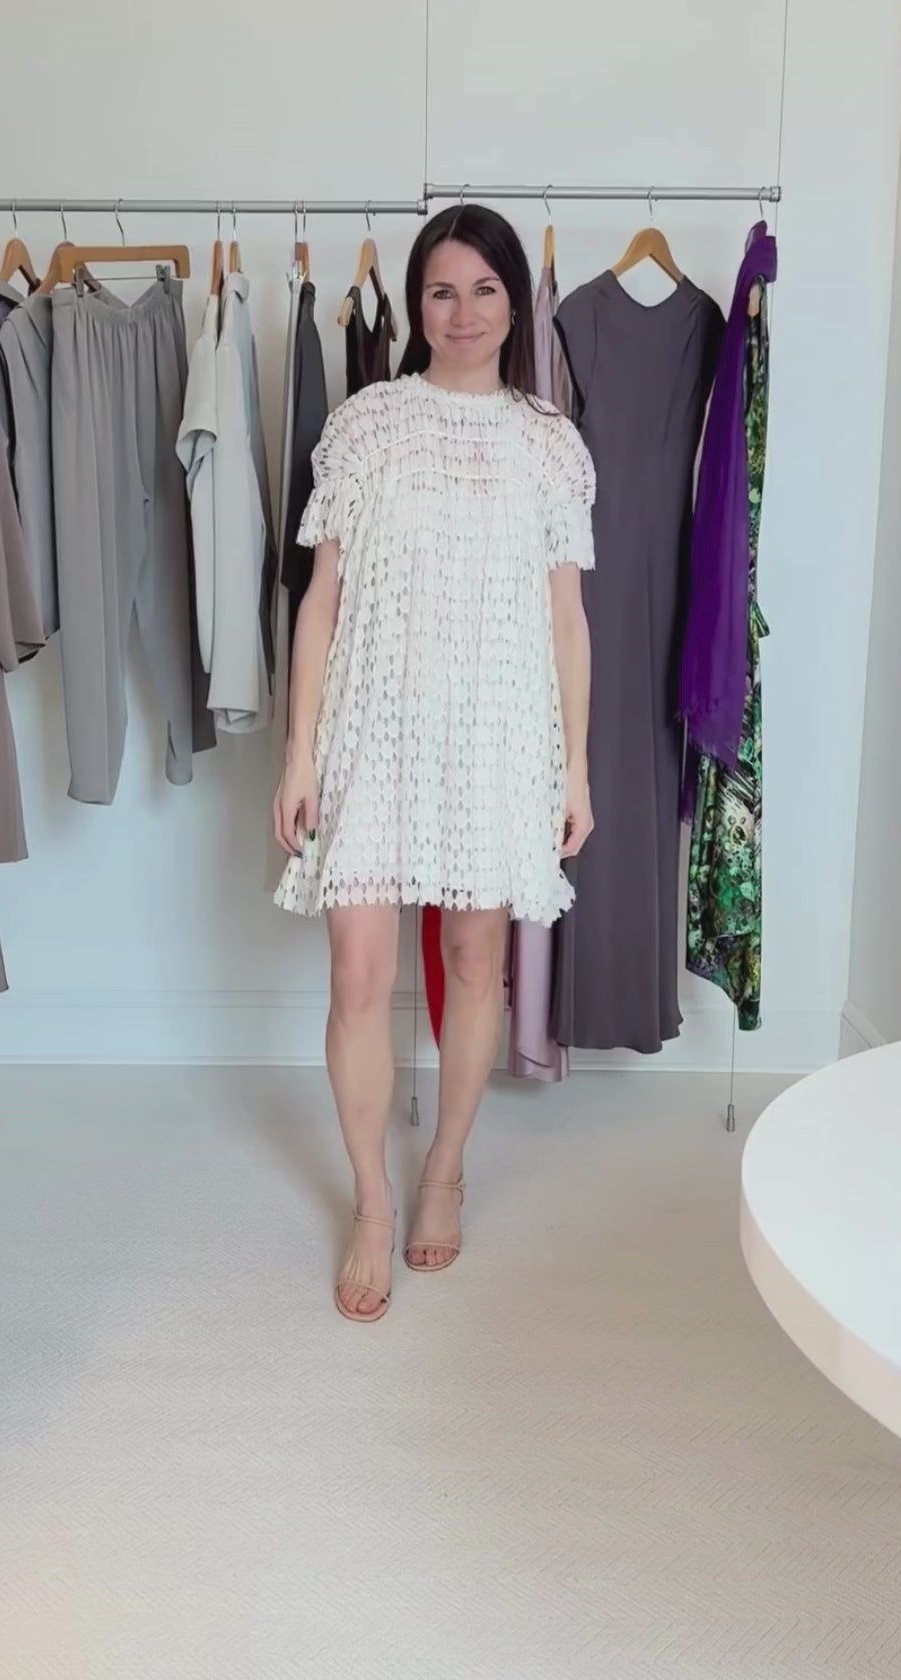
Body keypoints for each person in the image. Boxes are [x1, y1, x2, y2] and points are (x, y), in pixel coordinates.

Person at [273, 205, 595, 1323]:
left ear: (516, 301)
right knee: (357, 975)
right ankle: (371, 1200)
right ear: (416, 304)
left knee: (472, 964)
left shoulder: (550, 443)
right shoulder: (365, 425)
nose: (463, 313)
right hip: (373, 732)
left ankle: (445, 1168)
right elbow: (321, 604)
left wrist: (575, 770)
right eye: (442, 291)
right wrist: (299, 753)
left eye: (485, 290)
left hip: (496, 737)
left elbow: (567, 623)